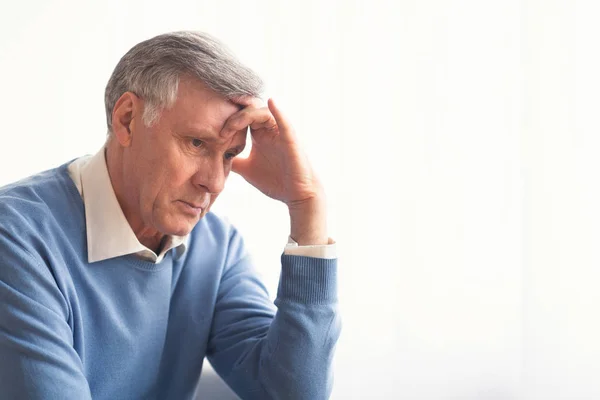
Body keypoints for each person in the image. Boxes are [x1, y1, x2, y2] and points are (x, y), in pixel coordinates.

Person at [0, 31, 340, 400]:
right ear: (128, 120)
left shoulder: (217, 248)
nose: (214, 182)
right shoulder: (16, 238)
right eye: (197, 143)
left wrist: (307, 207)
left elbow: (293, 393)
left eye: (229, 155)